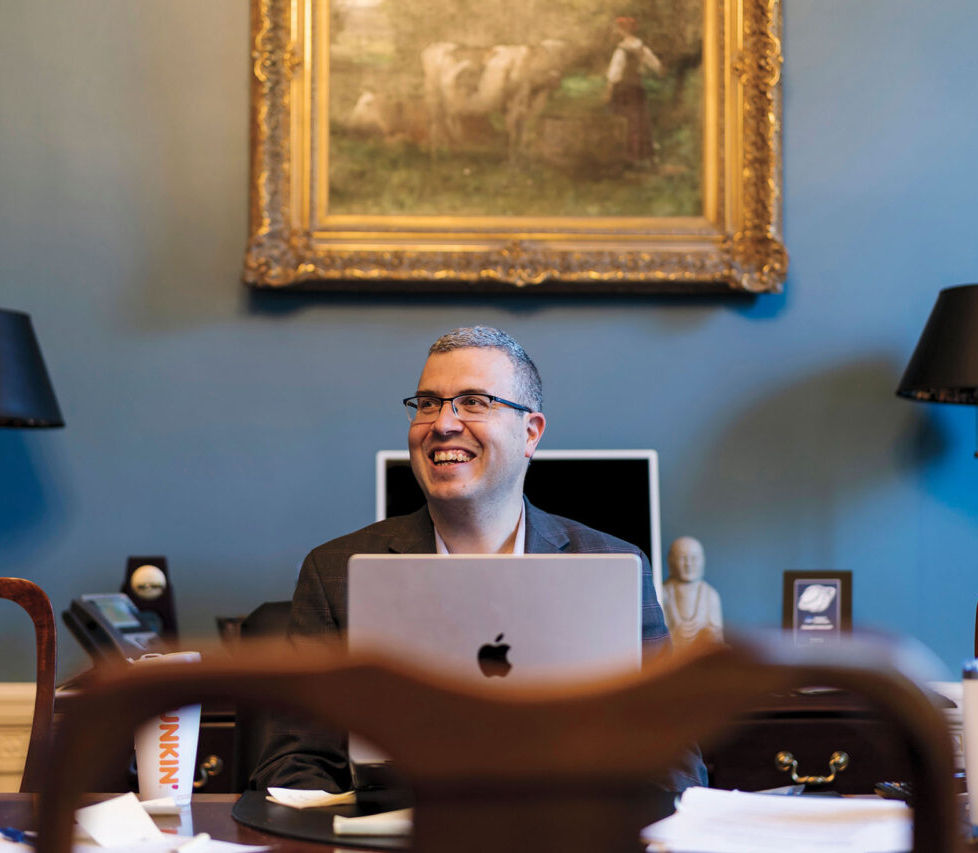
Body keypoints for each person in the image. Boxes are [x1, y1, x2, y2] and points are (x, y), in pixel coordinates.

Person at [251, 326, 701, 792]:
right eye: (428, 403)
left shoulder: (615, 565)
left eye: (474, 402)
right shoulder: (334, 571)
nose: (442, 424)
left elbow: (675, 760)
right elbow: (292, 767)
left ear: (530, 433)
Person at [605, 16, 663, 166]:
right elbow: (657, 66)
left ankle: (628, 156)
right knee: (639, 120)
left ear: (622, 30)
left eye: (618, 28)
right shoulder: (642, 48)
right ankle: (641, 155)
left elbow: (614, 74)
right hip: (637, 88)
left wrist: (609, 91)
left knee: (624, 119)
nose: (617, 31)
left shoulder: (621, 50)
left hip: (623, 90)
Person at [661, 536, 723, 645]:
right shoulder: (663, 593)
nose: (688, 563)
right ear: (671, 561)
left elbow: (717, 636)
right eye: (681, 558)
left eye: (694, 558)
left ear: (702, 561)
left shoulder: (710, 595)